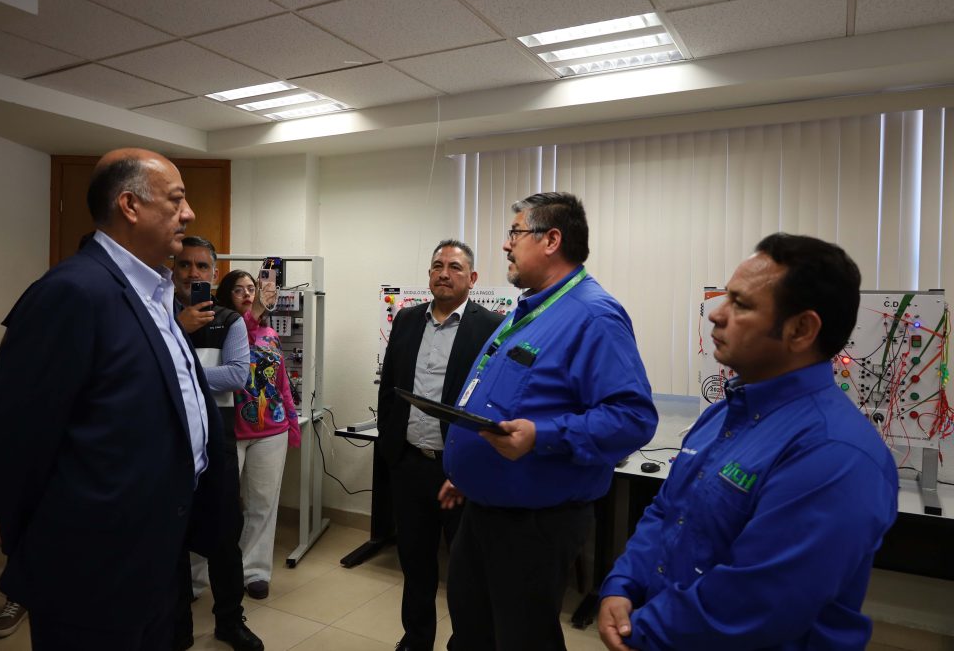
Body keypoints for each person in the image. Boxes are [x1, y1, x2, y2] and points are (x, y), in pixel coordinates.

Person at [596, 233, 899, 651]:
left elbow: (756, 604)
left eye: (740, 304)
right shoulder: (722, 415)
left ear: (800, 329)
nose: (716, 314)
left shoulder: (836, 454)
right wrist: (622, 585)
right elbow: (667, 512)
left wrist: (643, 632)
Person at [0, 148, 224, 650]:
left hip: (155, 552)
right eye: (176, 200)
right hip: (92, 570)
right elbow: (12, 436)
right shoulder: (72, 292)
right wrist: (28, 529)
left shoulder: (156, 294)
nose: (189, 213)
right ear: (130, 206)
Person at [441, 192, 658, 650]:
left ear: (551, 240)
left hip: (533, 524)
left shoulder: (594, 316)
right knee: (472, 633)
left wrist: (541, 436)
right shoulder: (527, 310)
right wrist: (467, 471)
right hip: (482, 509)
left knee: (521, 639)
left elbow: (632, 418)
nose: (506, 245)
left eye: (515, 233)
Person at [377, 240, 504, 651]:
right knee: (415, 564)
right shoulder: (407, 319)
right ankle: (416, 639)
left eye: (454, 267)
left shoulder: (491, 326)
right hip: (410, 463)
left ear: (473, 278)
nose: (444, 273)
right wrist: (391, 447)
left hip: (460, 472)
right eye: (437, 265)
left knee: (466, 572)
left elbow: (494, 401)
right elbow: (390, 387)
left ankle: (465, 644)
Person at [171, 237, 262, 651]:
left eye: (202, 267)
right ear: (173, 270)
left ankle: (229, 620)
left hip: (216, 439)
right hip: (168, 442)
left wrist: (178, 368)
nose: (193, 273)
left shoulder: (230, 321)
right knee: (172, 539)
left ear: (213, 273)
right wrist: (179, 330)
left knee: (225, 535)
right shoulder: (155, 314)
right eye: (184, 265)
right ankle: (177, 627)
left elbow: (237, 375)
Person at [215, 269, 301, 600]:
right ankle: (203, 572)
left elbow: (282, 384)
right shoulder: (219, 329)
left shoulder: (270, 333)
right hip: (230, 431)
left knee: (262, 504)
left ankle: (255, 571)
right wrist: (256, 310)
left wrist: (292, 422)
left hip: (271, 430)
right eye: (239, 290)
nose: (248, 295)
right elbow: (244, 330)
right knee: (219, 504)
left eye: (252, 289)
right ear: (226, 296)